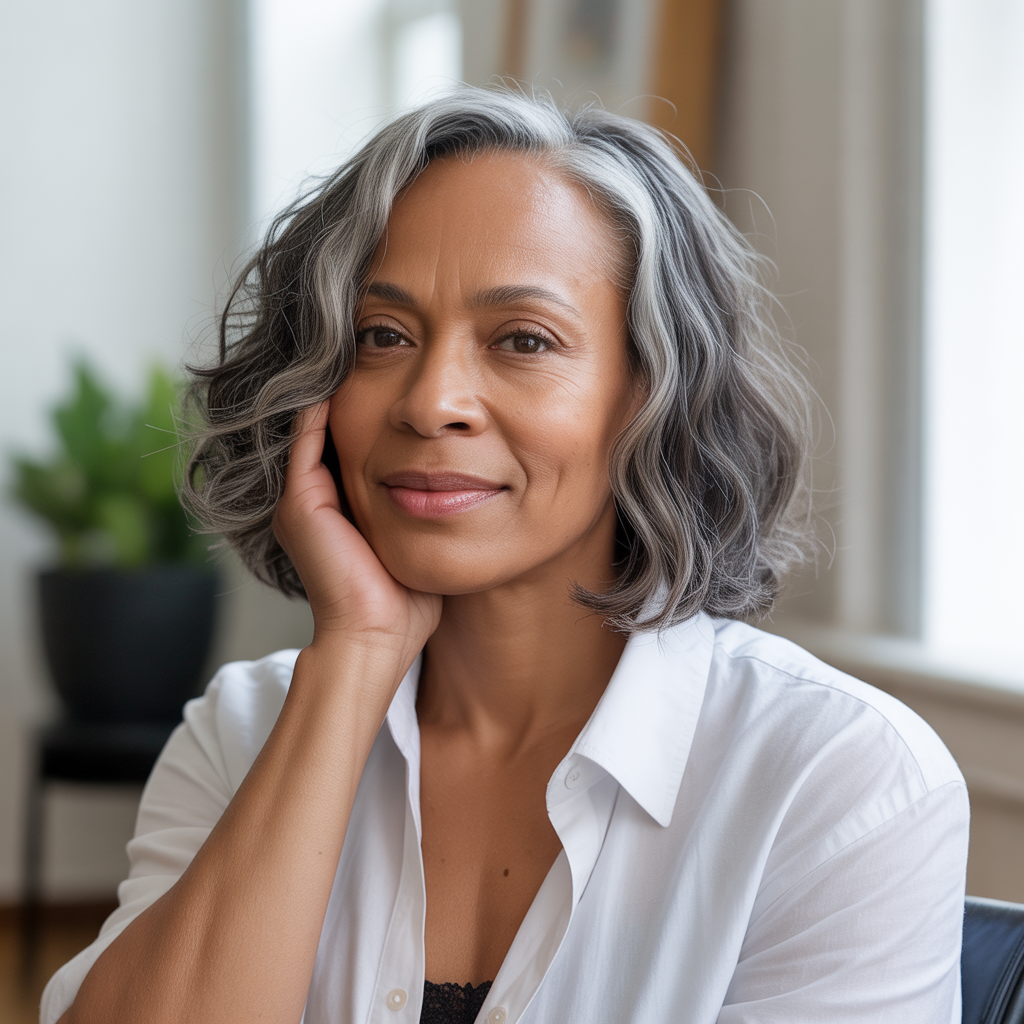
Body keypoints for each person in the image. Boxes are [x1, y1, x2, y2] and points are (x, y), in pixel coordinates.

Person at [43, 87, 968, 1024]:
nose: (431, 400)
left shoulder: (839, 779)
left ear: (654, 393)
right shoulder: (238, 737)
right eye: (382, 336)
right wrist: (355, 657)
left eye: (523, 340)